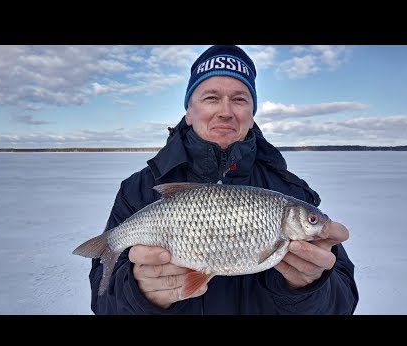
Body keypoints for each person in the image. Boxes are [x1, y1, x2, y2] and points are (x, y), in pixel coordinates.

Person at [88, 45, 359, 314]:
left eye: (240, 99)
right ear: (189, 112)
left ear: (252, 115)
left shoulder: (292, 192)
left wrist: (311, 288)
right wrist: (140, 297)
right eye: (211, 98)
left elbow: (343, 303)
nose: (226, 111)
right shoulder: (137, 190)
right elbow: (104, 301)